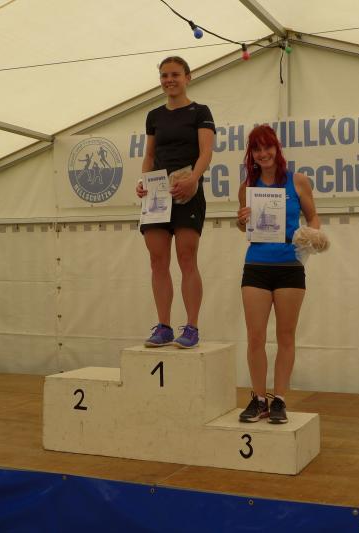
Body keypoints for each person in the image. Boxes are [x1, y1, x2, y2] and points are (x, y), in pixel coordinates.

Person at [235, 125, 320, 424]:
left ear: (277, 148)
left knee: (286, 335)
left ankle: (279, 399)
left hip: (290, 267)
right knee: (255, 336)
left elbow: (313, 217)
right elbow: (243, 227)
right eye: (257, 149)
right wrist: (241, 220)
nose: (263, 154)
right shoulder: (247, 187)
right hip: (256, 266)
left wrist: (311, 235)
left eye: (267, 147)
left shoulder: (298, 181)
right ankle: (259, 399)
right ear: (252, 155)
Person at [136, 56, 215, 348]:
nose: (169, 80)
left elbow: (206, 152)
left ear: (187, 77)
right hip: (157, 194)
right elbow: (149, 155)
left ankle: (192, 327)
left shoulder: (200, 112)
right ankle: (164, 326)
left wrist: (193, 178)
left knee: (186, 258)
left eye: (175, 75)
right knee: (157, 261)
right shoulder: (154, 115)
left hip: (187, 192)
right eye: (164, 75)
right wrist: (144, 182)